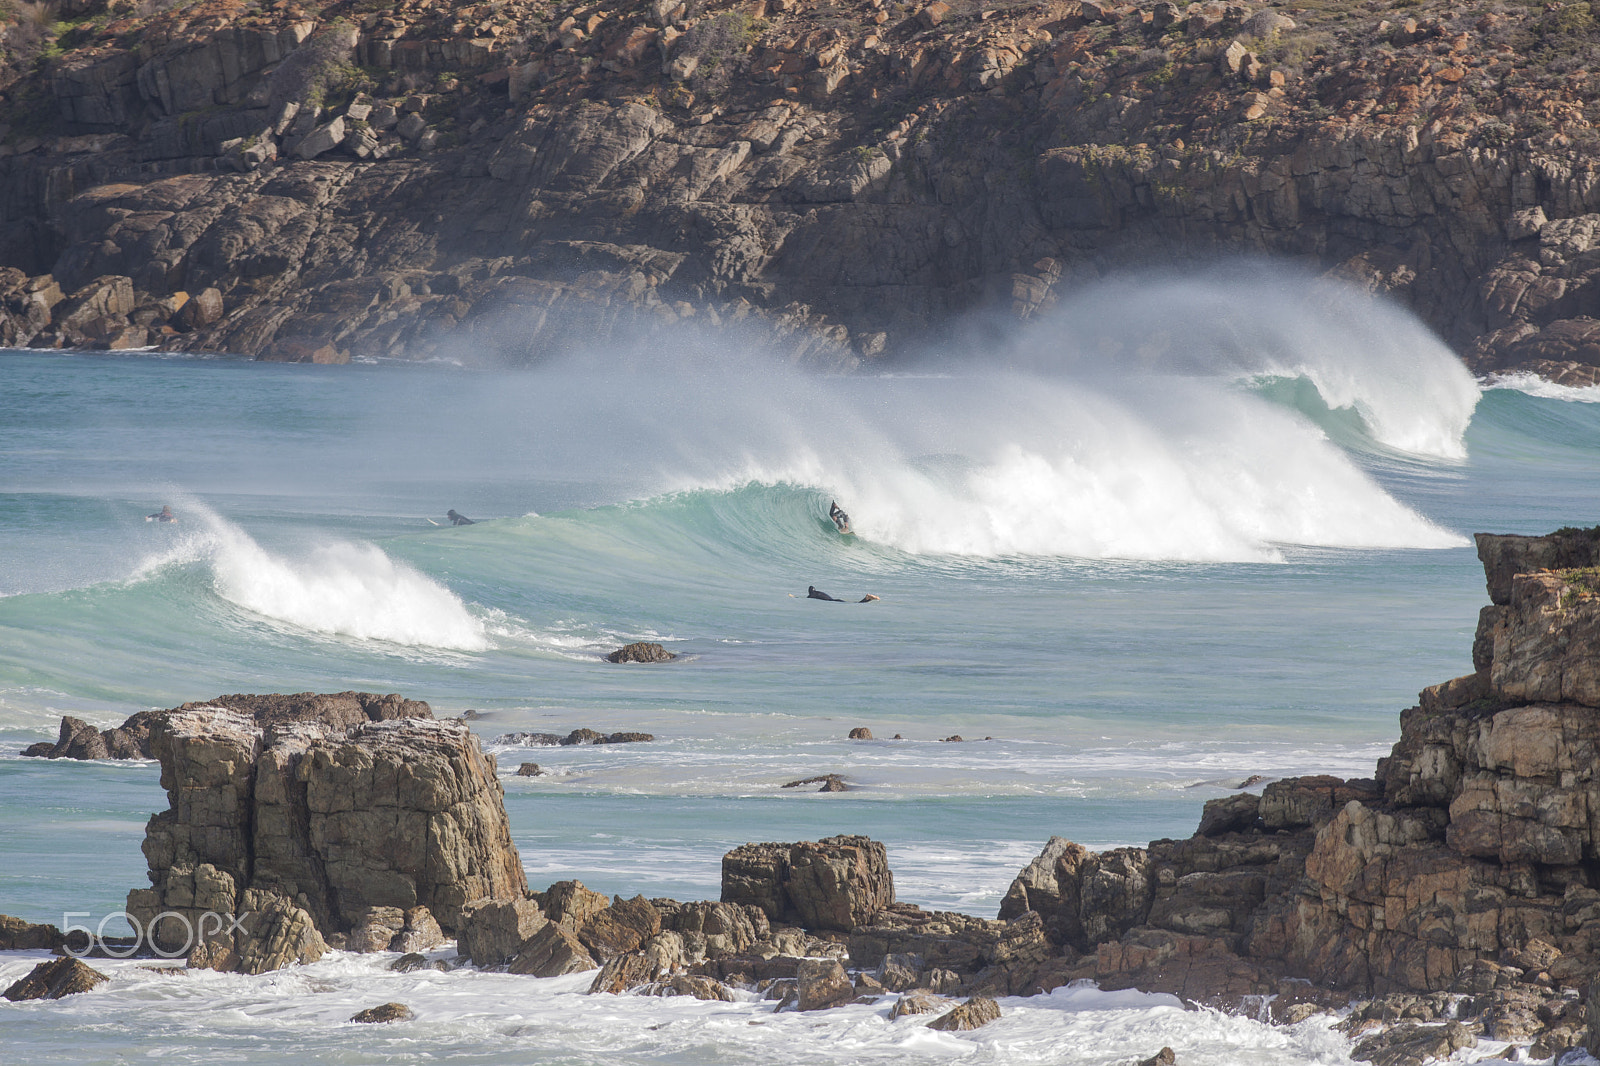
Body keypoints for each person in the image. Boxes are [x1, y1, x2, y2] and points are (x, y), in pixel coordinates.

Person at [807, 586, 879, 603]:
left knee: (854, 604)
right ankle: (867, 599)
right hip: (835, 600)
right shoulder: (818, 592)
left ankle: (867, 598)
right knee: (853, 604)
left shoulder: (811, 595)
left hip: (834, 601)